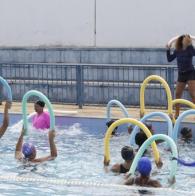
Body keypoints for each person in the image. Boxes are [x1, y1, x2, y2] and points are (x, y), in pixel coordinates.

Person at [166, 34, 195, 119]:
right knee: (178, 94)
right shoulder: (178, 50)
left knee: (193, 94)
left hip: (190, 73)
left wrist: (190, 44)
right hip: (181, 74)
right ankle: (177, 113)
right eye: (183, 39)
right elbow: (169, 59)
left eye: (186, 39)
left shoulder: (190, 49)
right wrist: (168, 49)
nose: (184, 40)